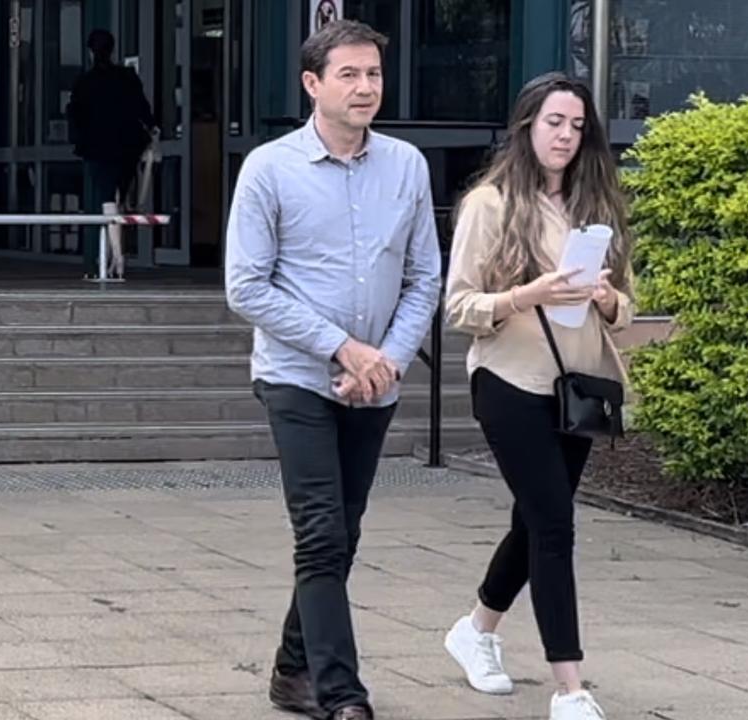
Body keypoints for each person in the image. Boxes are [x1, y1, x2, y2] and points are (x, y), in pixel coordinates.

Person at [224, 19, 441, 720]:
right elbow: (246, 287)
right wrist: (341, 348)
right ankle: (342, 695)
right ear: (313, 84)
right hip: (295, 376)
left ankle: (293, 669)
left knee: (343, 531)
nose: (365, 87)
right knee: (319, 531)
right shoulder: (269, 168)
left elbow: (423, 278)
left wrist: (387, 361)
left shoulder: (406, 165)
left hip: (375, 381)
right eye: (348, 74)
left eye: (373, 74)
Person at [441, 72, 634, 720]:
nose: (566, 136)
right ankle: (570, 689)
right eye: (555, 122)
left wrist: (608, 299)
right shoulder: (489, 205)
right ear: (527, 125)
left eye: (578, 126)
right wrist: (529, 294)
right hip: (507, 380)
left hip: (576, 388)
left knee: (534, 520)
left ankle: (475, 631)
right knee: (554, 523)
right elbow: (461, 306)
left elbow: (626, 308)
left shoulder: (596, 207)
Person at [66, 28, 156, 278]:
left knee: (109, 203)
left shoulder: (85, 82)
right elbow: (142, 106)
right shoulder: (127, 77)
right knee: (117, 201)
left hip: (98, 148)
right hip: (127, 146)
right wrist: (152, 127)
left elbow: (75, 115)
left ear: (90, 51)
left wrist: (78, 142)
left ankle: (116, 259)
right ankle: (111, 258)